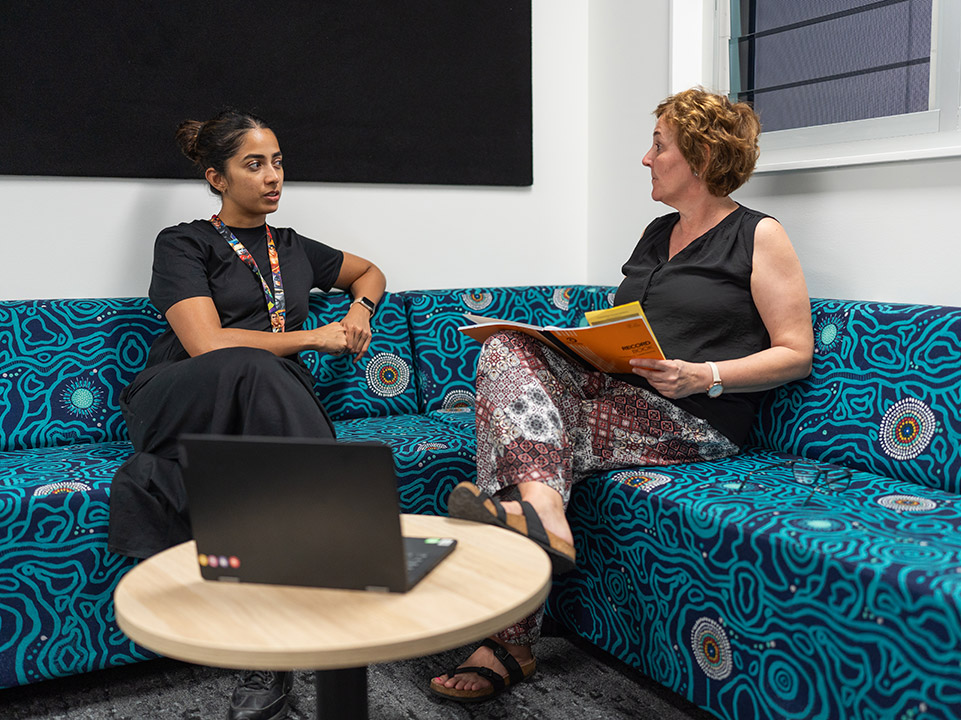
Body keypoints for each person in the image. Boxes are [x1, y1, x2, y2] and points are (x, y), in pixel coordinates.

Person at [430, 87, 813, 702]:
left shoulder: (759, 235)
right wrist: (584, 346)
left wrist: (704, 375)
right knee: (504, 349)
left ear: (702, 157)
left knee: (524, 446)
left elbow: (795, 353)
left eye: (658, 145)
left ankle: (511, 633)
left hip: (692, 418)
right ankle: (541, 516)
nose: (645, 158)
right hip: (619, 397)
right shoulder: (656, 232)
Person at [107, 109, 386, 720]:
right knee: (252, 365)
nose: (272, 177)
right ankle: (354, 546)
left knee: (253, 443)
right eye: (253, 164)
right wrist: (316, 338)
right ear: (216, 177)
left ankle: (271, 652)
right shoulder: (184, 242)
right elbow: (209, 345)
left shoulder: (295, 248)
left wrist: (360, 311)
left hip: (257, 411)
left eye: (278, 162)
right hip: (177, 397)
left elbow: (370, 272)